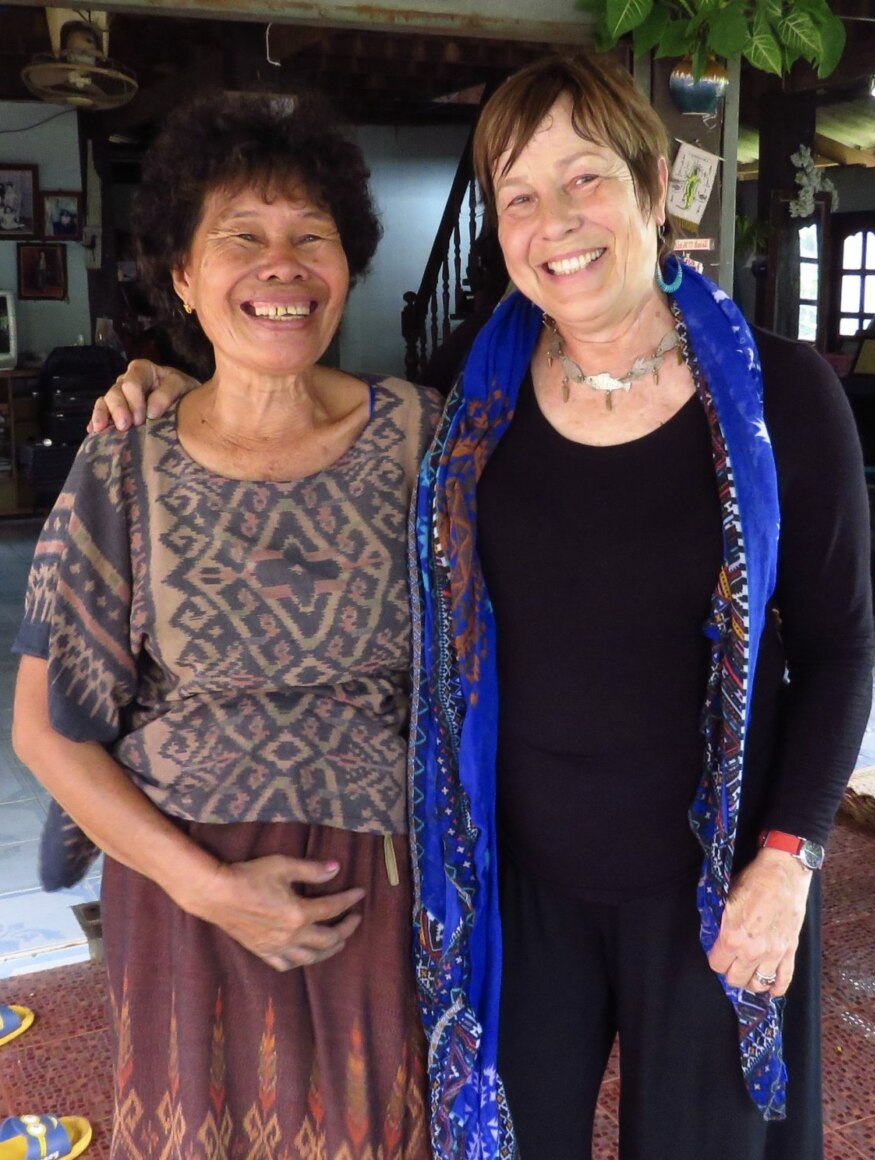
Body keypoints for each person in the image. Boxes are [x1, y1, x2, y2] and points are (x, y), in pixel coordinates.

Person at [91, 53, 873, 1160]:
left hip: (718, 887)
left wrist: (788, 865)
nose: (556, 220)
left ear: (654, 189)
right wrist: (175, 382)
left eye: (585, 180)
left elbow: (839, 653)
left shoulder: (786, 398)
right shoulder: (472, 395)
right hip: (519, 891)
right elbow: (314, 411)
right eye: (518, 197)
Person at [13, 89, 437, 1160]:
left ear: (349, 267)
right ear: (186, 280)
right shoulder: (123, 457)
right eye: (240, 239)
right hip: (181, 891)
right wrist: (210, 888)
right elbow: (45, 729)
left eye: (311, 238)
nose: (280, 266)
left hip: (377, 892)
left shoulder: (423, 442)